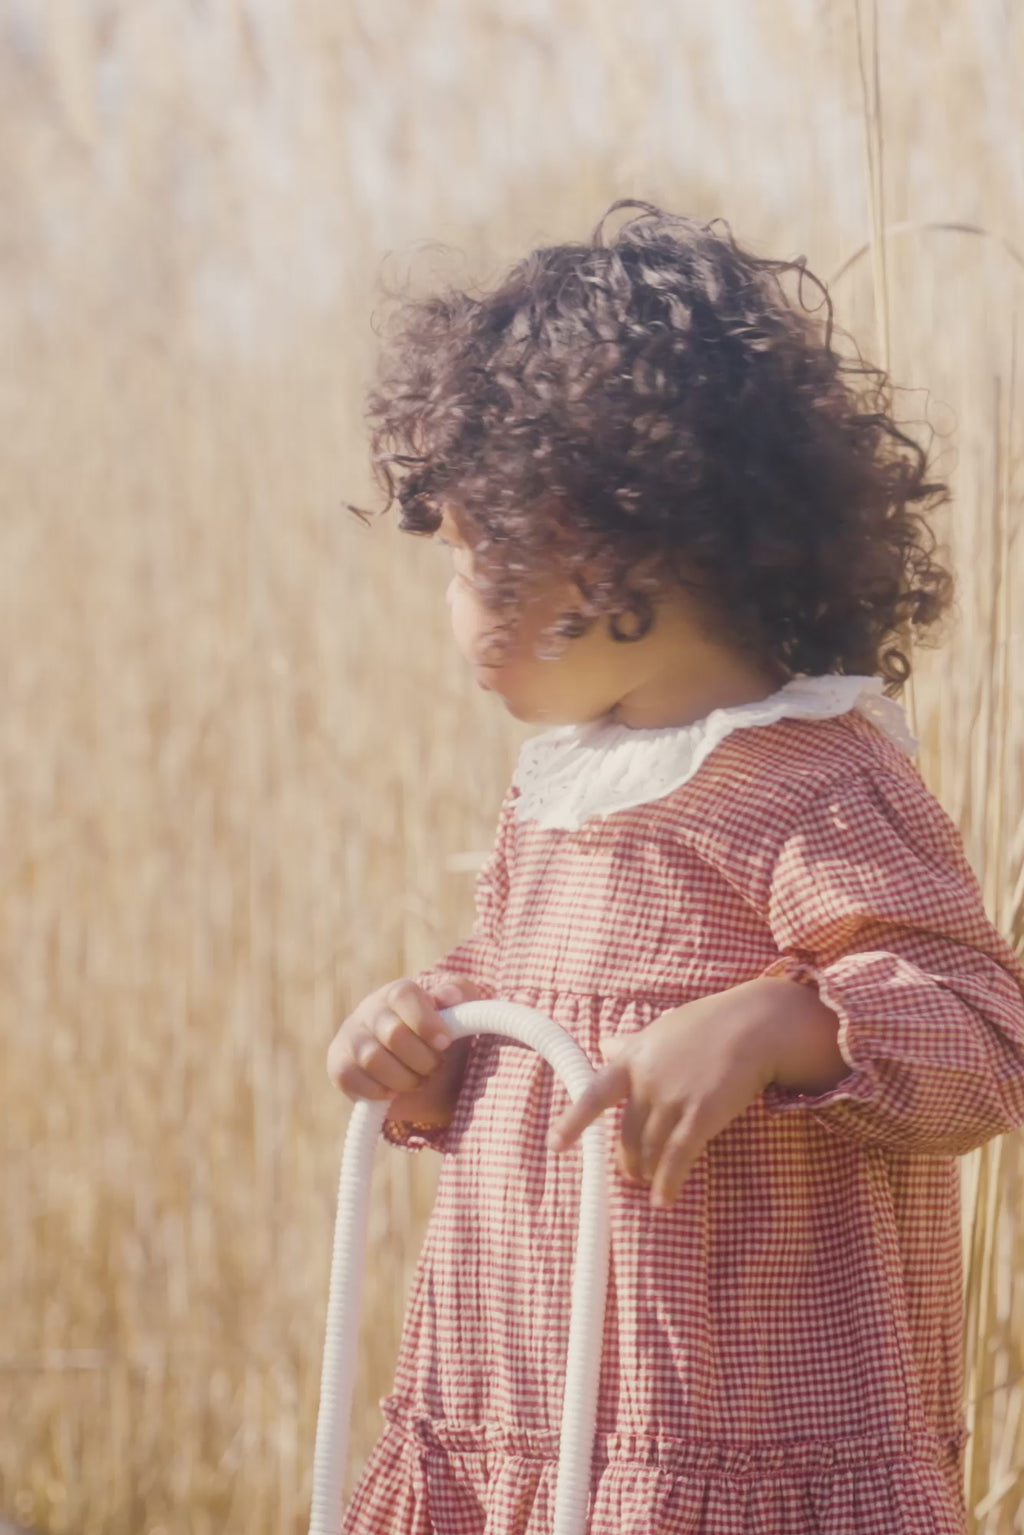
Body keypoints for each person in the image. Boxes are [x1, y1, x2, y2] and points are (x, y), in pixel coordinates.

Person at [326, 202, 1024, 1534]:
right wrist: (431, 1030)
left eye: (474, 558)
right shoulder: (568, 788)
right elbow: (531, 989)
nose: (452, 599)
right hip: (526, 1398)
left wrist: (785, 1018)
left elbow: (989, 1037)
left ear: (607, 555)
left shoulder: (815, 780)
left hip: (727, 1435)